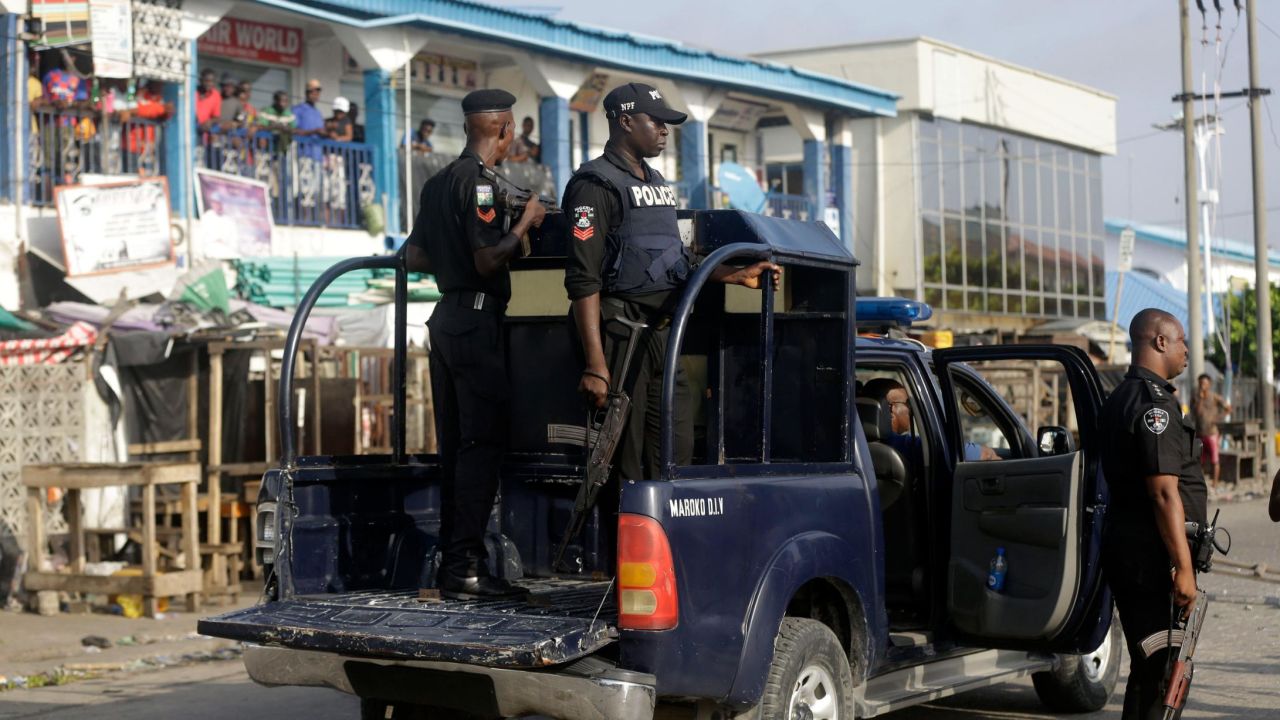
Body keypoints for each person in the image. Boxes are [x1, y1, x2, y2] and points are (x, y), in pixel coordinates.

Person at [564, 82, 779, 481]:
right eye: (657, 122)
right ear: (625, 122)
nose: (665, 131)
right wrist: (596, 364)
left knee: (675, 457)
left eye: (667, 124)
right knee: (624, 464)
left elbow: (674, 259)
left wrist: (731, 274)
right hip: (622, 339)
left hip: (665, 337)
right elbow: (583, 279)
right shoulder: (594, 185)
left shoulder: (655, 182)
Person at [404, 89, 546, 599]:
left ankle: (454, 565)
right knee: (482, 448)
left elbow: (414, 256)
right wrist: (525, 224)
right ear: (504, 129)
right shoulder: (482, 187)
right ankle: (466, 568)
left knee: (456, 451)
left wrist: (455, 255)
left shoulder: (440, 182)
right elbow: (488, 262)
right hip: (476, 322)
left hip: (444, 321)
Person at [1099, 308, 1207, 720]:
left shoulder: (1122, 397)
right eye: (1181, 341)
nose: (1186, 352)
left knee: (1151, 670)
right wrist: (1183, 567)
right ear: (1160, 342)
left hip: (1137, 551)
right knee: (1163, 672)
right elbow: (1163, 494)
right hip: (1150, 558)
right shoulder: (1153, 405)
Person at [862, 377, 999, 468]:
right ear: (891, 409)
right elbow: (979, 455)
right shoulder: (904, 446)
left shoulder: (855, 447)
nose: (911, 409)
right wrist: (993, 455)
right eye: (908, 403)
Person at [1190, 373, 1231, 491]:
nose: (1202, 386)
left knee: (1214, 459)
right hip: (1200, 433)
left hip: (1212, 432)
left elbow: (1228, 408)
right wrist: (1201, 399)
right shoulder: (1195, 397)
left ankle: (1215, 483)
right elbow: (1195, 413)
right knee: (1199, 459)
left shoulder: (1214, 397)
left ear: (1209, 384)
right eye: (1200, 383)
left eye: (1205, 383)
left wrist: (1218, 418)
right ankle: (1200, 482)